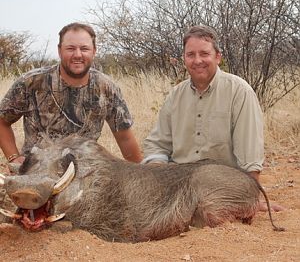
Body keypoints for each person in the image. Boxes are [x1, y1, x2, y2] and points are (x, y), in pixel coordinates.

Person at [143, 25, 284, 212]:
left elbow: (250, 155)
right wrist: (157, 176)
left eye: (204, 53)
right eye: (190, 54)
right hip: (178, 187)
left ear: (218, 57)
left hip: (222, 188)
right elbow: (158, 144)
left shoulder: (239, 91)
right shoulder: (175, 96)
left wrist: (250, 199)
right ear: (184, 59)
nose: (197, 60)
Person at [0, 22, 142, 166]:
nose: (78, 55)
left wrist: (140, 176)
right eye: (70, 48)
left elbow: (125, 138)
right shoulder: (31, 82)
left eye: (84, 48)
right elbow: (2, 121)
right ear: (60, 50)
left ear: (94, 51)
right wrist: (13, 158)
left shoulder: (107, 87)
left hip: (85, 171)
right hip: (35, 169)